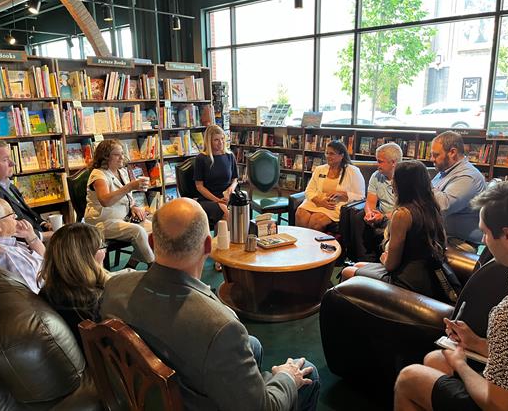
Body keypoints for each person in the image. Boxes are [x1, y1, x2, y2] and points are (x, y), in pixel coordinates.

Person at [100, 198, 320, 411]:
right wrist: (286, 376)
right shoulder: (221, 327)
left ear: (151, 242)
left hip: (149, 395)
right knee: (308, 373)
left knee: (252, 344)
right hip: (196, 402)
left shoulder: (115, 287)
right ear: (208, 246)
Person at [394, 179, 508, 411]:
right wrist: (477, 343)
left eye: (486, 233)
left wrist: (461, 365)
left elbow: (501, 406)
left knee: (410, 377)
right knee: (435, 360)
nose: (484, 241)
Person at [341, 160, 446, 299]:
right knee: (359, 265)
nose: (392, 183)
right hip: (426, 275)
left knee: (347, 271)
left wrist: (384, 258)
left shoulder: (402, 214)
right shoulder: (432, 207)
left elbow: (391, 265)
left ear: (401, 183)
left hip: (406, 279)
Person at [38, 223, 110, 350]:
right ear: (85, 258)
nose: (104, 251)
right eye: (102, 247)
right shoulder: (95, 299)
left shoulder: (49, 290)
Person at [84, 139, 154, 268]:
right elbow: (105, 201)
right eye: (117, 154)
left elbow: (126, 197)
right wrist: (130, 187)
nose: (122, 157)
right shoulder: (98, 175)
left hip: (123, 219)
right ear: (105, 157)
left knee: (154, 228)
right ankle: (153, 265)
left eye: (122, 153)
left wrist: (133, 207)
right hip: (102, 222)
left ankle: (133, 262)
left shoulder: (121, 171)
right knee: (138, 231)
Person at [0, 139, 53, 239]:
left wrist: (43, 223)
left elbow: (26, 212)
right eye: (5, 160)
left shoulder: (7, 183)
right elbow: (8, 232)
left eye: (10, 158)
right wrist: (44, 236)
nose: (13, 163)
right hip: (27, 246)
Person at [348, 142, 402, 261]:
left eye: (380, 161)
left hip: (398, 217)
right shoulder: (376, 175)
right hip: (380, 215)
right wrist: (370, 213)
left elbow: (405, 210)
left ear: (393, 162)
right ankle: (363, 259)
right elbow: (370, 201)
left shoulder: (405, 178)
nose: (377, 164)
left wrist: (383, 216)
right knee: (359, 217)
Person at [296, 140, 365, 232]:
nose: (328, 156)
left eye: (332, 154)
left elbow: (361, 196)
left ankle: (313, 245)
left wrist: (343, 195)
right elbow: (309, 190)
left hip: (335, 205)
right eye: (327, 153)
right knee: (300, 214)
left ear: (341, 155)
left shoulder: (353, 171)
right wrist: (319, 201)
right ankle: (302, 244)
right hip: (316, 201)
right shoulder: (319, 169)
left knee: (316, 219)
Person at [430, 131, 485, 244]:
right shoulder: (445, 171)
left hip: (459, 242)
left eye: (436, 155)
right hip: (442, 235)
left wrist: (420, 183)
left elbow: (442, 206)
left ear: (452, 152)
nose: (432, 159)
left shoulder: (468, 177)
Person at [0, 196, 45, 293]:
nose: (17, 220)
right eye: (12, 216)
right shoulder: (6, 254)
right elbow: (35, 292)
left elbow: (43, 259)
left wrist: (31, 236)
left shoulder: (4, 243)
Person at [194, 124, 238, 225]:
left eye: (222, 138)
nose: (221, 142)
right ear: (209, 141)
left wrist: (231, 189)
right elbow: (199, 186)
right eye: (216, 140)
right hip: (208, 198)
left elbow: (235, 179)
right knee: (225, 212)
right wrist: (217, 200)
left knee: (242, 205)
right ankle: (224, 240)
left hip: (227, 196)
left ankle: (236, 237)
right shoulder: (201, 158)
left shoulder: (230, 156)